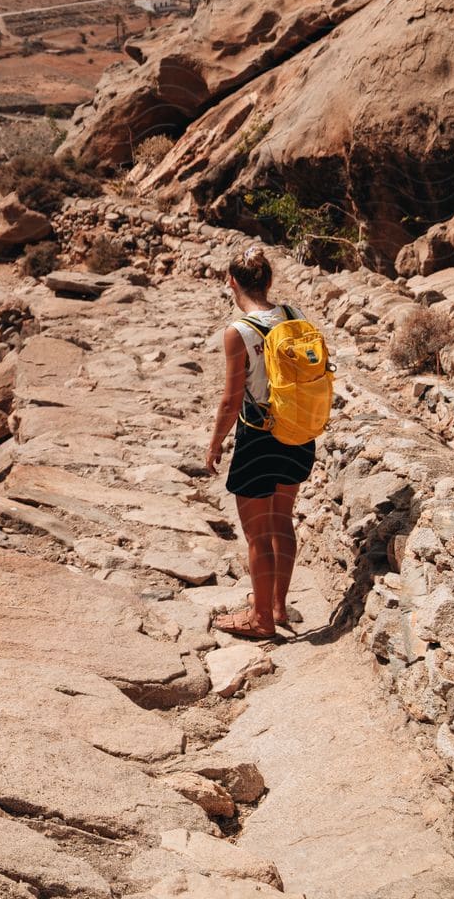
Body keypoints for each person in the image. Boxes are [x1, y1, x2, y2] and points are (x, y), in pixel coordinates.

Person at [204, 245, 315, 639]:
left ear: (231, 282)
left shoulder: (238, 332)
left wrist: (216, 442)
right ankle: (279, 607)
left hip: (258, 437)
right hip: (298, 431)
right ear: (268, 280)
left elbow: (232, 398)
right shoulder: (294, 315)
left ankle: (262, 619)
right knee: (282, 520)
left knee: (256, 533)